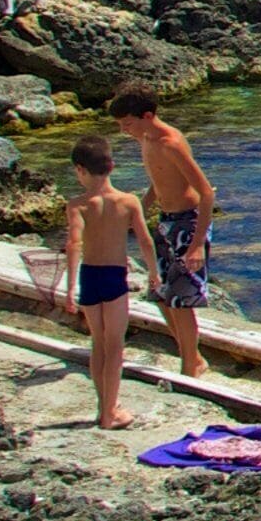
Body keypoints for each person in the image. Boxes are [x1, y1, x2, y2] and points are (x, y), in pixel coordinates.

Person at [105, 86, 212, 378]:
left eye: (127, 123)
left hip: (187, 225)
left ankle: (190, 366)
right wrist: (139, 210)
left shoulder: (171, 143)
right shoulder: (146, 139)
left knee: (180, 300)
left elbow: (206, 193)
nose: (124, 130)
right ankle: (193, 354)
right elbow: (159, 180)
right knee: (162, 295)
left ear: (148, 115)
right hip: (166, 220)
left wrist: (198, 245)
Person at [58, 135, 160, 429]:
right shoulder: (128, 201)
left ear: (80, 170)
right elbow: (144, 240)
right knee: (115, 346)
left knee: (98, 343)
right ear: (112, 166)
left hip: (90, 276)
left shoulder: (77, 205)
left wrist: (69, 289)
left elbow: (74, 244)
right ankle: (110, 412)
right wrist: (154, 273)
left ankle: (103, 407)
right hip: (115, 277)